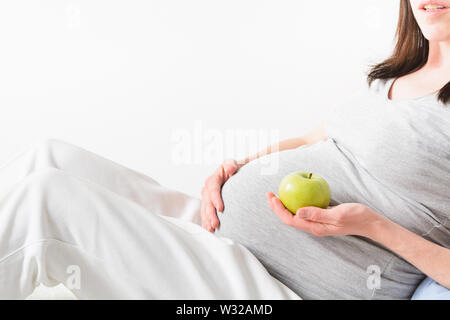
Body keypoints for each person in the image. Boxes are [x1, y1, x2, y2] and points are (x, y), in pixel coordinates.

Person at [0, 0, 448, 299]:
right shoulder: (392, 77)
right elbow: (316, 138)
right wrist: (236, 169)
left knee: (45, 201)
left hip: (274, 287)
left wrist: (373, 225)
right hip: (219, 234)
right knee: (48, 155)